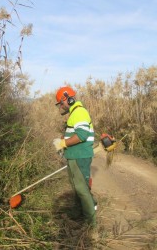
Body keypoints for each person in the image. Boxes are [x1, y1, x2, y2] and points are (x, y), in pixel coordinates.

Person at [53, 86, 97, 227]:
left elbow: (82, 135)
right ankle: (79, 213)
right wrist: (63, 139)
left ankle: (91, 225)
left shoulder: (79, 112)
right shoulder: (74, 113)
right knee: (78, 188)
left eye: (61, 103)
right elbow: (75, 132)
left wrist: (63, 143)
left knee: (82, 189)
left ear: (68, 99)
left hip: (80, 156)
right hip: (75, 156)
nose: (60, 106)